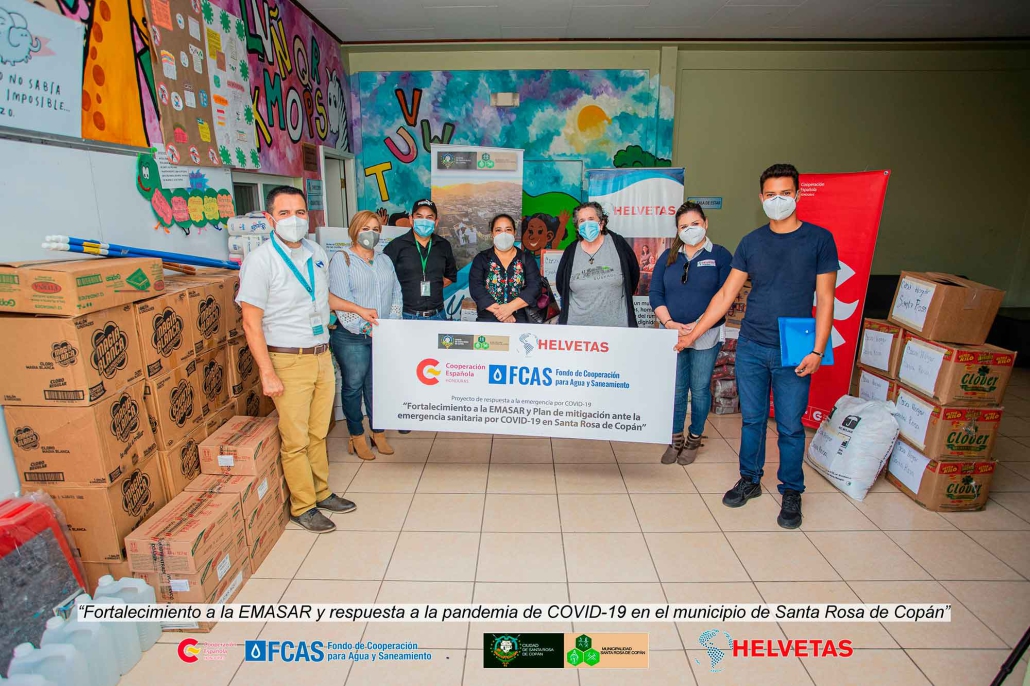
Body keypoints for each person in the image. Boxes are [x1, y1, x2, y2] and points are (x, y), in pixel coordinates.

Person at [675, 164, 838, 529]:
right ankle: (750, 479)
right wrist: (694, 333)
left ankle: (791, 490)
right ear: (761, 198)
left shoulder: (819, 239)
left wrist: (817, 350)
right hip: (751, 344)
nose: (778, 200)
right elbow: (725, 295)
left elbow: (826, 299)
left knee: (791, 425)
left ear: (797, 194)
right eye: (771, 194)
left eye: (785, 193)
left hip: (795, 347)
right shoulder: (751, 242)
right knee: (752, 420)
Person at [237, 186, 360, 533]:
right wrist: (267, 373)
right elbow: (250, 322)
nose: (294, 219)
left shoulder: (316, 252)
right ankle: (303, 506)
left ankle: (321, 492)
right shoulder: (260, 261)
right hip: (288, 360)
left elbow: (323, 298)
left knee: (318, 432)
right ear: (269, 218)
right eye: (285, 213)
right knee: (296, 440)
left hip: (321, 355)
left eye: (300, 212)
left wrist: (358, 309)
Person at [650, 202, 732, 466]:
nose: (690, 229)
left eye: (695, 224)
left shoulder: (720, 255)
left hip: (706, 334)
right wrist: (670, 323)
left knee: (698, 388)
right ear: (677, 230)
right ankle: (675, 438)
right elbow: (655, 293)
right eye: (683, 226)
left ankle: (694, 438)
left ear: (705, 223)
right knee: (676, 389)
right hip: (673, 334)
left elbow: (724, 296)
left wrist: (695, 330)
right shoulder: (668, 256)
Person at [328, 210, 402, 461]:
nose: (371, 234)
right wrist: (364, 327)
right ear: (354, 230)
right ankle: (356, 435)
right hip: (352, 336)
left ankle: (377, 432)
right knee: (353, 386)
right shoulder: (342, 260)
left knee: (376, 386)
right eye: (365, 228)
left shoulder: (384, 260)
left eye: (375, 229)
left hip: (381, 333)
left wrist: (389, 324)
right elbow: (340, 299)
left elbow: (396, 293)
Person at [555, 201, 640, 327]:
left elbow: (632, 275)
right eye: (582, 221)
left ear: (601, 223)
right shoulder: (570, 251)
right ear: (577, 227)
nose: (586, 224)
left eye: (591, 219)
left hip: (617, 327)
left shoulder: (618, 244)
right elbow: (561, 284)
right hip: (577, 328)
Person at [383, 199, 457, 321]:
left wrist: (434, 286)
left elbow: (450, 276)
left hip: (438, 315)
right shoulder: (396, 246)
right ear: (411, 219)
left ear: (436, 222)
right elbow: (384, 280)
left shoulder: (444, 245)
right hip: (406, 315)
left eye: (429, 217)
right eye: (419, 216)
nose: (424, 221)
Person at [468, 213, 541, 323]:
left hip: (519, 320)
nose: (504, 234)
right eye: (498, 230)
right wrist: (503, 314)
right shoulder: (482, 259)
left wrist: (510, 308)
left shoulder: (526, 258)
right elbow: (476, 288)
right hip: (488, 320)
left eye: (508, 230)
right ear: (492, 234)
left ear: (514, 232)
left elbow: (534, 287)